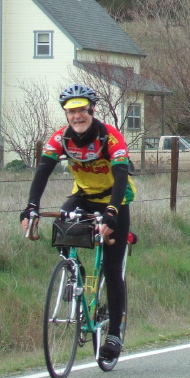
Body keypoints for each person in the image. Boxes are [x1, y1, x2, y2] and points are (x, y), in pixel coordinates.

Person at [21, 84, 135, 360]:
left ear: (92, 110)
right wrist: (31, 207)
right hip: (83, 196)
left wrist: (111, 214)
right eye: (71, 112)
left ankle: (114, 335)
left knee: (112, 266)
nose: (77, 116)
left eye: (82, 110)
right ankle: (75, 272)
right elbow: (43, 170)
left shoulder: (110, 137)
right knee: (61, 228)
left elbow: (121, 176)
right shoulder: (60, 138)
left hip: (114, 199)